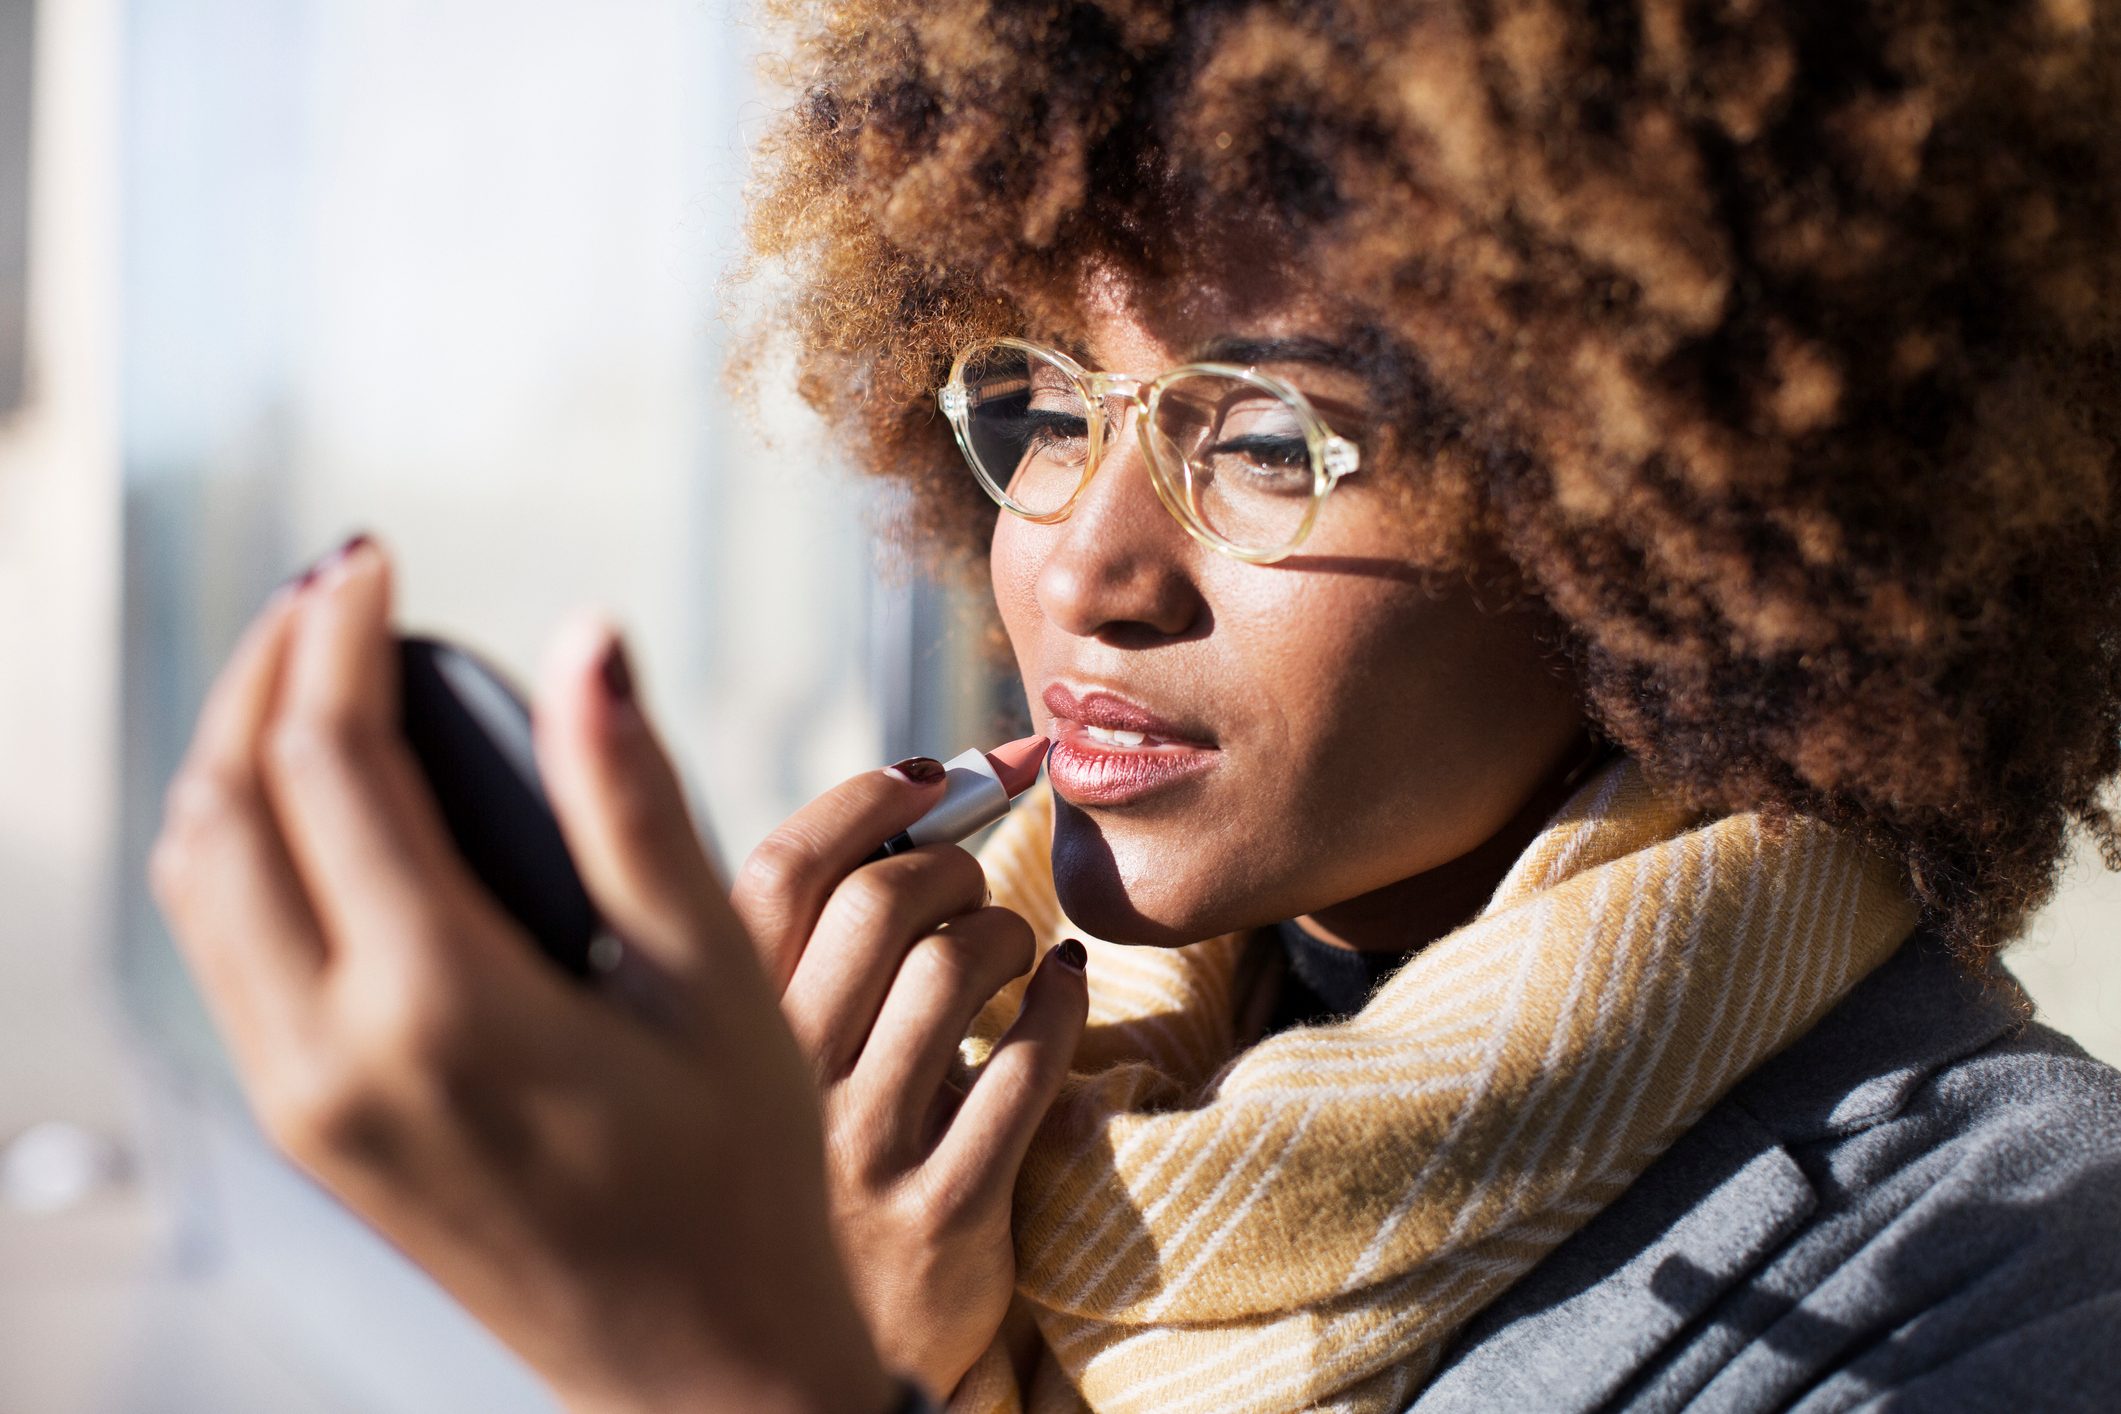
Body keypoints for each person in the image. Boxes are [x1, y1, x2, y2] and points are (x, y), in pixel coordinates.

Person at [148, 1, 2121, 1410]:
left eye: (1262, 439)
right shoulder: (976, 1131)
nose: (1082, 565)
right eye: (1035, 409)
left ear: (1662, 519)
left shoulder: (2006, 1268)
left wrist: (733, 1365)